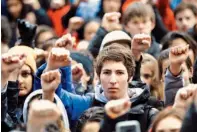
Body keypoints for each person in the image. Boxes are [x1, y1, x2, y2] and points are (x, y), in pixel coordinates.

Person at [34, 43, 158, 131]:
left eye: (119, 73)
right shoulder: (87, 103)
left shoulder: (149, 113)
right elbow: (55, 98)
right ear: (98, 77)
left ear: (130, 77)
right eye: (107, 72)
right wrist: (50, 69)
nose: (113, 80)